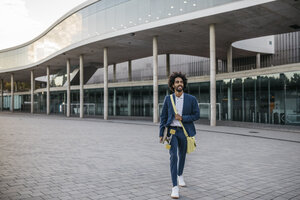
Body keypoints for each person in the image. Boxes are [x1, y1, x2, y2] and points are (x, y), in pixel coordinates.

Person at [159, 72, 200, 199]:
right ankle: (174, 187)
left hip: (185, 132)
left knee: (182, 155)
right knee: (173, 157)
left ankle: (180, 174)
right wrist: (161, 133)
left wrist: (182, 118)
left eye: (181, 82)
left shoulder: (191, 99)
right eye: (177, 82)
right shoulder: (168, 99)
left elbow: (196, 115)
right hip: (172, 132)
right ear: (172, 85)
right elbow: (163, 116)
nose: (179, 84)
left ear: (184, 84)